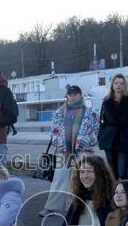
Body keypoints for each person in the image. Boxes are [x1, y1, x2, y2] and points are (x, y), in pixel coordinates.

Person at [40, 85, 100, 216]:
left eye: (75, 94)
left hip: (83, 150)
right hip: (64, 151)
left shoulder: (91, 112)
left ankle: (82, 207)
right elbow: (54, 132)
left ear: (80, 95)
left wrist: (85, 140)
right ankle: (51, 207)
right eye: (70, 94)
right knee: (59, 179)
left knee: (83, 178)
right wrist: (59, 143)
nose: (72, 97)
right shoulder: (60, 112)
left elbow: (96, 132)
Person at [98, 74, 128, 181]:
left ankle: (126, 196)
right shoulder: (106, 101)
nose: (118, 86)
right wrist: (101, 136)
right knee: (112, 174)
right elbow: (102, 122)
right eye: (116, 83)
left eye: (121, 83)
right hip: (109, 139)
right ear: (112, 85)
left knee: (123, 173)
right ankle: (113, 196)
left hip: (124, 138)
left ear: (125, 85)